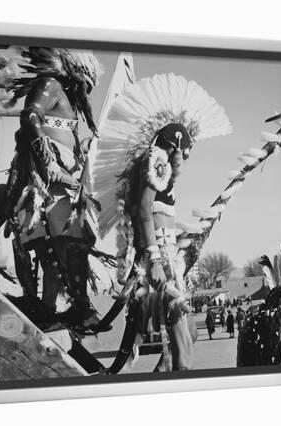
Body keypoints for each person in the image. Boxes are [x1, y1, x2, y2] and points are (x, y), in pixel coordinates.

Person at [92, 73, 232, 371]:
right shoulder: (155, 160)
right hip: (157, 263)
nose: (185, 157)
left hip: (168, 260)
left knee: (190, 334)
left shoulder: (159, 165)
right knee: (182, 341)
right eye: (183, 151)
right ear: (174, 145)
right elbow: (143, 212)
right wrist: (155, 260)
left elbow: (155, 215)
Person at [0, 47, 106, 332]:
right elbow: (30, 115)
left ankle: (69, 309)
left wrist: (80, 153)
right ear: (74, 70)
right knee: (51, 248)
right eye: (87, 81)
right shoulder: (51, 84)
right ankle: (49, 308)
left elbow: (59, 131)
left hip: (65, 181)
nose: (88, 90)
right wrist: (48, 161)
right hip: (44, 182)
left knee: (72, 245)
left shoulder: (69, 100)